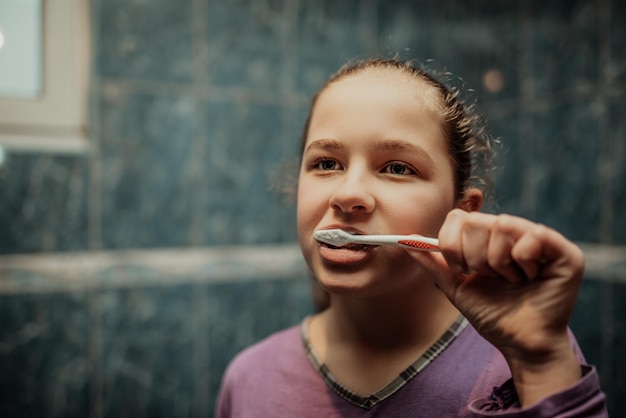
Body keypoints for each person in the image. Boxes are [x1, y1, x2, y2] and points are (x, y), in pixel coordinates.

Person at [215, 58, 608, 417]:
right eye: (326, 163)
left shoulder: (525, 356)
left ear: (462, 213)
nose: (348, 194)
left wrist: (539, 363)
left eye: (397, 168)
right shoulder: (249, 377)